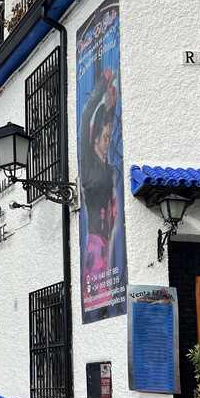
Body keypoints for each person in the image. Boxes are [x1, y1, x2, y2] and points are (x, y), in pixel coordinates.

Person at [79, 67, 120, 301]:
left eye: (109, 136)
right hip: (95, 245)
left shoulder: (106, 166)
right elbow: (86, 117)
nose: (108, 141)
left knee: (105, 299)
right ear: (95, 140)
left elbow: (107, 124)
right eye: (105, 138)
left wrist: (111, 107)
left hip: (106, 245)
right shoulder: (88, 161)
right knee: (97, 298)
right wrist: (101, 87)